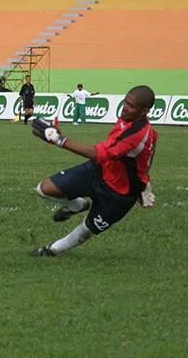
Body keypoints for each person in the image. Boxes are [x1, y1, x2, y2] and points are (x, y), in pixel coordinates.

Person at [29, 86, 158, 257]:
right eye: (126, 101)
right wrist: (144, 177)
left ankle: (51, 251)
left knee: (86, 230)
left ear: (144, 112)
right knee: (44, 189)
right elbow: (152, 144)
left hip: (119, 194)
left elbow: (100, 154)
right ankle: (77, 205)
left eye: (131, 106)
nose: (125, 107)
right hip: (99, 171)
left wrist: (59, 140)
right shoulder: (128, 118)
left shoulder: (137, 134)